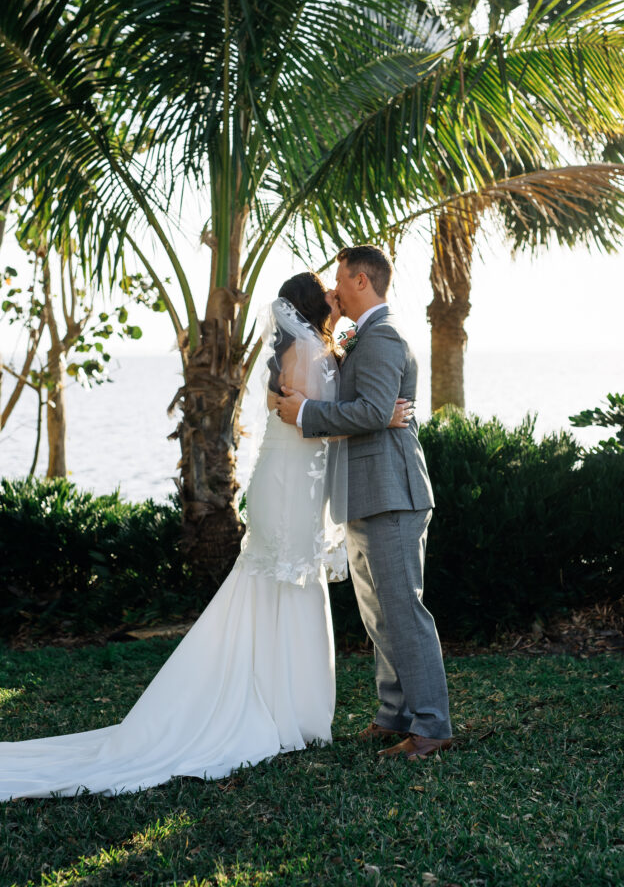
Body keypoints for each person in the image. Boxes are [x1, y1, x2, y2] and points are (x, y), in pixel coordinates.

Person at [0, 272, 411, 799]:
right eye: (329, 295)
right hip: (287, 488)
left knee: (288, 585)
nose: (337, 298)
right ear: (311, 308)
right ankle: (275, 707)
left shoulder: (319, 346)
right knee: (283, 582)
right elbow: (305, 418)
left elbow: (316, 405)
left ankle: (287, 703)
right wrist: (383, 421)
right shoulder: (306, 351)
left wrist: (358, 408)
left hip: (297, 488)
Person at [277, 246, 452, 759]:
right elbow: (374, 408)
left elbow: (375, 409)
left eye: (338, 281)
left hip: (391, 493)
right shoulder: (365, 336)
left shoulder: (383, 335)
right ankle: (393, 715)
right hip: (366, 491)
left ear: (359, 280)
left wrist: (308, 412)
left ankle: (431, 727)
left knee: (402, 611)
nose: (332, 290)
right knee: (378, 614)